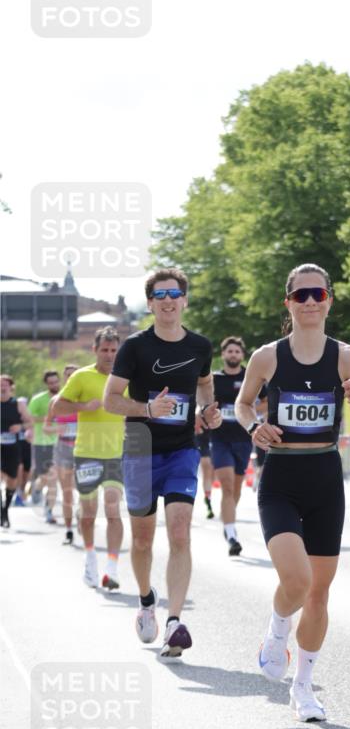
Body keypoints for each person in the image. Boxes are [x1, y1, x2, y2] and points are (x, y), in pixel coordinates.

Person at [235, 263, 350, 721]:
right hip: (280, 477)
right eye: (302, 296)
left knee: (319, 594)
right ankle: (277, 631)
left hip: (324, 477)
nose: (311, 302)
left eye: (319, 294)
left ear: (330, 300)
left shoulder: (348, 357)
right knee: (297, 581)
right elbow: (241, 403)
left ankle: (303, 688)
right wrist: (255, 425)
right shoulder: (267, 357)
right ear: (289, 303)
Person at [104, 268, 221, 657]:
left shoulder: (201, 345)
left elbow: (204, 383)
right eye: (159, 294)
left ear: (184, 300)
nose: (168, 299)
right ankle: (145, 598)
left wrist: (208, 410)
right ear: (151, 302)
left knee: (180, 532)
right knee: (141, 539)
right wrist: (147, 408)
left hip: (182, 449)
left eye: (175, 293)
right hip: (139, 447)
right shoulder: (135, 347)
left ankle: (174, 623)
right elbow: (110, 400)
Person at [52, 330, 125, 588]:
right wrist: (83, 407)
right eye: (104, 350)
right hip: (87, 454)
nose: (109, 355)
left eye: (113, 350)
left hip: (117, 454)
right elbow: (57, 407)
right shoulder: (82, 376)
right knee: (89, 514)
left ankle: (112, 569)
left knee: (114, 510)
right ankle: (91, 558)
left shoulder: (127, 378)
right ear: (95, 350)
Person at [210, 336, 266, 555]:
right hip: (220, 439)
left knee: (235, 488)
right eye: (229, 351)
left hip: (244, 439)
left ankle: (228, 522)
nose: (233, 355)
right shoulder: (215, 379)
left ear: (242, 355)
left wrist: (251, 414)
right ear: (223, 354)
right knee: (225, 486)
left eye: (237, 352)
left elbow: (268, 401)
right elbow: (204, 403)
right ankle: (232, 534)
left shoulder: (249, 377)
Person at [48, 364, 79, 545]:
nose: (71, 378)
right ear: (64, 378)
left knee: (84, 491)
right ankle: (68, 531)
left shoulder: (88, 399)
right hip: (63, 449)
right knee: (67, 493)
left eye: (74, 375)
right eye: (68, 375)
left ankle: (82, 515)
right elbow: (46, 426)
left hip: (84, 449)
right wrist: (56, 428)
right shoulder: (56, 401)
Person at [28, 370, 60, 522]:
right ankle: (37, 486)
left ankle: (49, 511)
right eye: (51, 383)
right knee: (44, 478)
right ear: (46, 384)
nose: (54, 385)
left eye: (56, 381)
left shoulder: (65, 398)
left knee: (53, 478)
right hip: (42, 443)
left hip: (60, 443)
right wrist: (48, 417)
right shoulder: (38, 399)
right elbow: (30, 418)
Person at [1, 375, 31, 528]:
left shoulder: (18, 404)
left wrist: (21, 427)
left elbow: (30, 422)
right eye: (0, 384)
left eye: (5, 384)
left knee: (12, 481)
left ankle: (5, 510)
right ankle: (1, 510)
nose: (2, 387)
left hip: (12, 447)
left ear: (11, 387)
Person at [195, 423, 215, 519]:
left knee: (212, 475)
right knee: (207, 467)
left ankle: (208, 495)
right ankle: (208, 502)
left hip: (216, 437)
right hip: (201, 437)